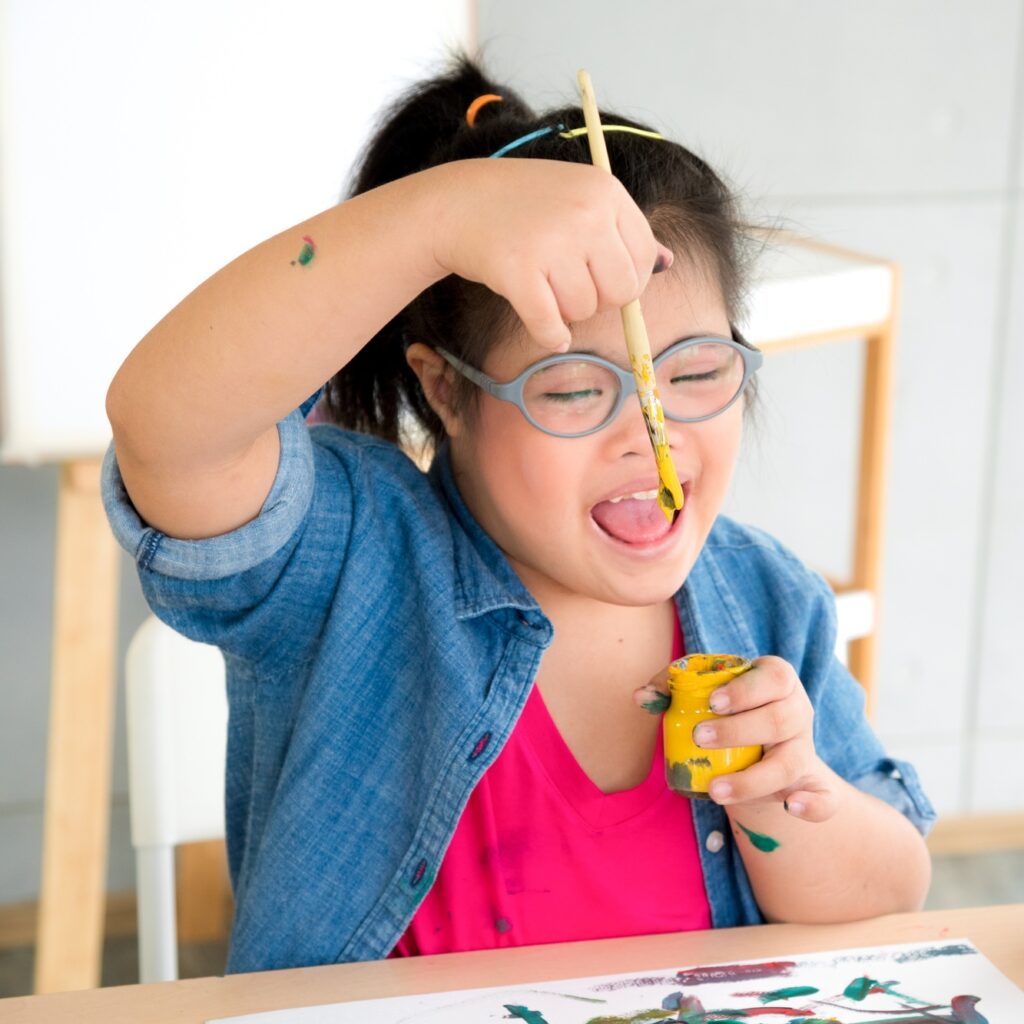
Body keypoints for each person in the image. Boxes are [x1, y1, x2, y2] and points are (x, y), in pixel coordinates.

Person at [102, 56, 934, 973]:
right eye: (575, 389)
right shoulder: (354, 563)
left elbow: (892, 896)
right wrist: (438, 223)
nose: (652, 440)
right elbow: (167, 431)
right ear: (445, 392)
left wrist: (791, 795)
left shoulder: (769, 598)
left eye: (695, 373)